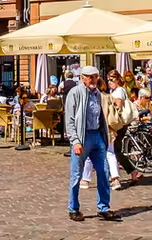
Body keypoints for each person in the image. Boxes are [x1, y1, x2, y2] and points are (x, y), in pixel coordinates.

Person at [64, 64, 115, 223]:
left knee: (104, 172)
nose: (93, 79)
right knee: (76, 175)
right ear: (83, 78)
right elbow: (70, 120)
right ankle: (73, 208)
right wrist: (75, 141)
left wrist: (104, 135)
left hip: (97, 136)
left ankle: (103, 208)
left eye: (95, 76)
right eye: (90, 77)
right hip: (82, 138)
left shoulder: (98, 94)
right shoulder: (75, 93)